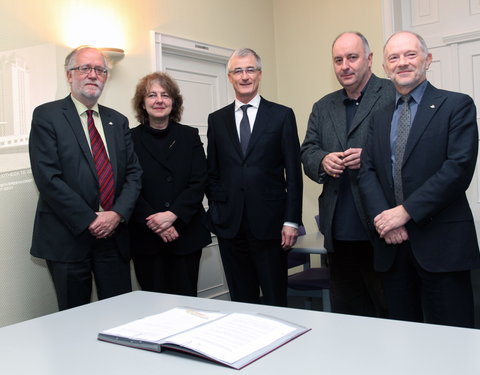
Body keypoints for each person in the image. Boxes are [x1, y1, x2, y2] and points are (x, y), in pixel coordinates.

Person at [358, 31, 480, 328]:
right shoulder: (379, 117)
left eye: (410, 55)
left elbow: (457, 169)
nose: (402, 63)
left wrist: (405, 212)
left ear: (427, 60)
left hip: (443, 247)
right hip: (392, 247)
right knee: (401, 336)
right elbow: (367, 170)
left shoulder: (457, 106)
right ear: (385, 68)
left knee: (453, 337)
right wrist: (384, 220)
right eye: (394, 58)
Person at [29, 46, 142, 310]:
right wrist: (89, 219)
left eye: (100, 70)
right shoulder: (47, 116)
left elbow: (134, 173)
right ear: (69, 75)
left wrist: (116, 214)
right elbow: (48, 177)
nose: (93, 75)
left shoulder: (119, 121)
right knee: (73, 321)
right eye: (85, 68)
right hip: (68, 238)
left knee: (119, 316)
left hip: (113, 239)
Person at [301, 32, 393, 317]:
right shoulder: (323, 106)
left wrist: (369, 156)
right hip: (338, 231)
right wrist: (322, 160)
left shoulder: (392, 94)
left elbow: (409, 149)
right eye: (338, 60)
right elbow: (307, 151)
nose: (345, 66)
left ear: (369, 59)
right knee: (347, 314)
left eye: (352, 58)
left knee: (389, 311)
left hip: (382, 226)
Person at [205, 48, 303, 306]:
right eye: (238, 70)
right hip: (230, 227)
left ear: (259, 74)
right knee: (241, 300)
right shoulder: (216, 120)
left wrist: (291, 221)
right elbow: (212, 172)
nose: (244, 76)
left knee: (274, 299)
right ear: (229, 77)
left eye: (250, 69)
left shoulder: (282, 115)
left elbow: (293, 173)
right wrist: (217, 212)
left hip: (271, 227)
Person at [129, 72, 211, 296]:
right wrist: (157, 223)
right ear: (142, 103)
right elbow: (128, 186)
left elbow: (199, 181)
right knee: (153, 305)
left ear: (173, 102)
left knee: (186, 302)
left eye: (165, 95)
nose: (159, 100)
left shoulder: (189, 136)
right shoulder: (129, 139)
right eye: (152, 95)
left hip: (186, 234)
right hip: (146, 237)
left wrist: (172, 214)